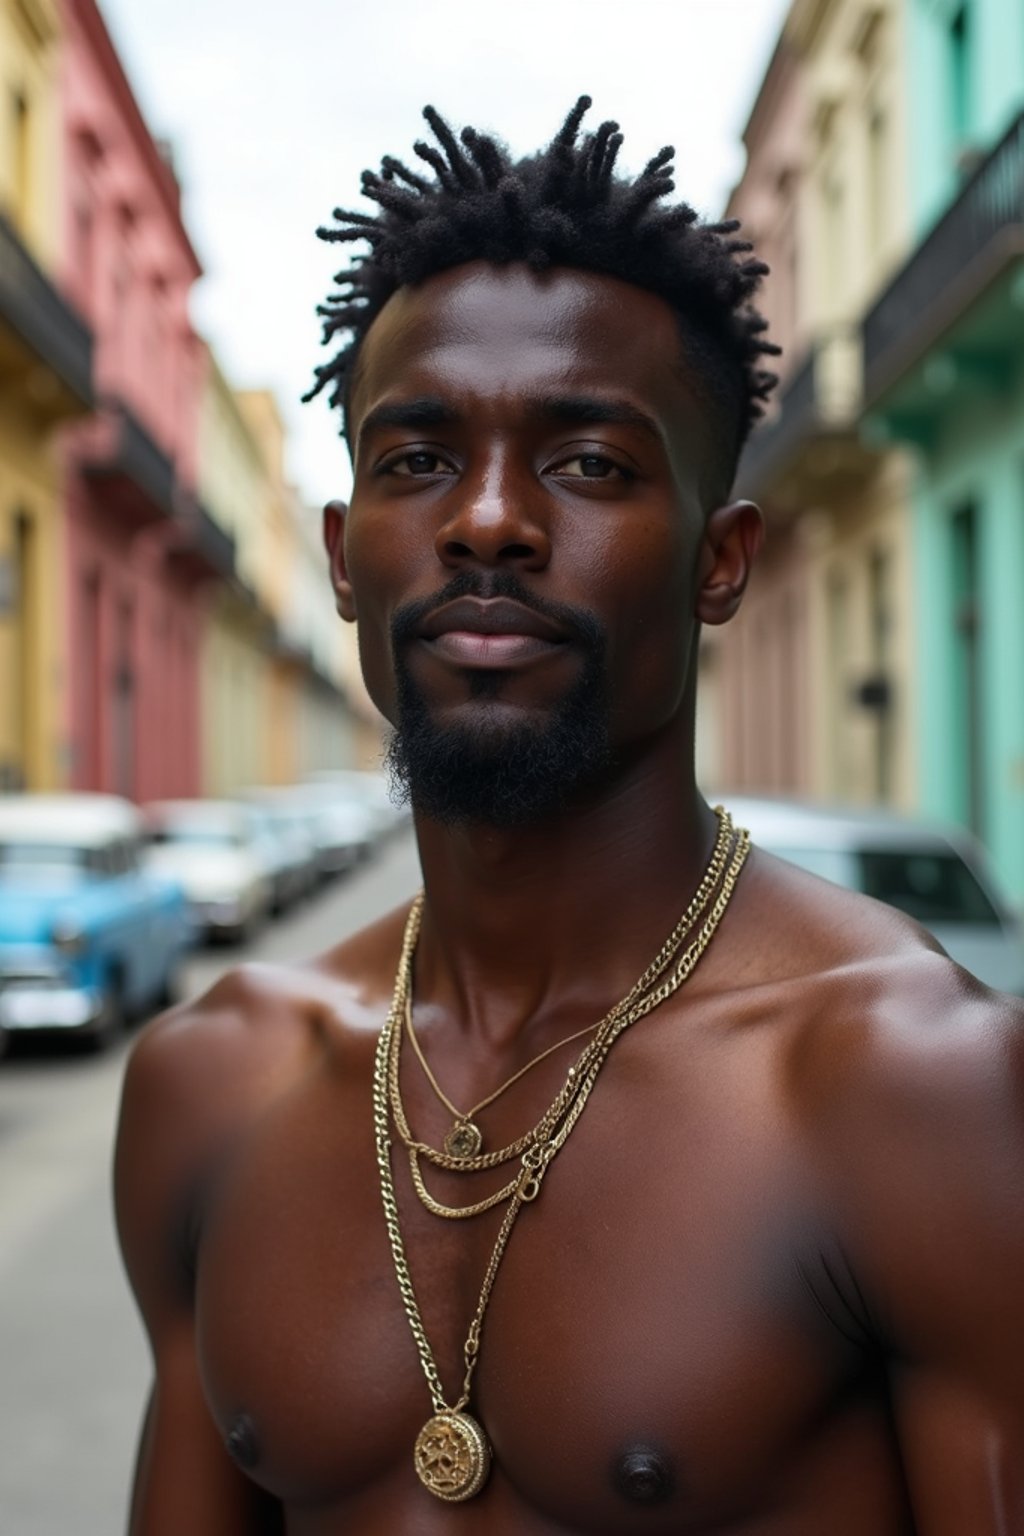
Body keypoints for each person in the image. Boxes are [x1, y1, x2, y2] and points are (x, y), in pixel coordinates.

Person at [115, 99, 1024, 1534]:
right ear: (348, 561)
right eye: (416, 461)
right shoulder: (212, 1082)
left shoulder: (916, 1087)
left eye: (590, 463)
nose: (485, 520)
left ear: (722, 563)